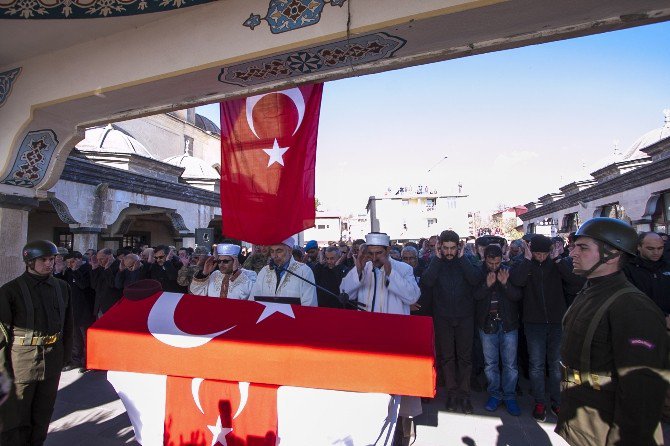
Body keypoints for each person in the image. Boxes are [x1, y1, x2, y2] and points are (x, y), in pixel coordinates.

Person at [556, 217, 668, 446]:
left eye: (583, 247)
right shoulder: (592, 291)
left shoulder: (633, 307)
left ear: (613, 254)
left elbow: (642, 395)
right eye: (574, 246)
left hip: (607, 432)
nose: (573, 253)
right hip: (586, 426)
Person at [339, 232, 421, 443]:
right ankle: (373, 428)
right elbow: (344, 292)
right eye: (371, 253)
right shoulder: (363, 268)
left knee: (396, 387)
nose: (375, 258)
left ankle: (401, 429)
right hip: (367, 337)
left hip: (395, 337)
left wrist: (389, 271)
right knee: (371, 387)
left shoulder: (404, 269)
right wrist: (358, 267)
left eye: (379, 253)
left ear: (388, 251)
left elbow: (412, 296)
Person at [0, 240, 74, 445]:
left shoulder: (62, 287)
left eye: (52, 259)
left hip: (52, 360)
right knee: (17, 417)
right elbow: (2, 335)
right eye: (43, 260)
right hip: (21, 363)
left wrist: (65, 357)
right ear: (29, 261)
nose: (49, 263)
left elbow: (68, 325)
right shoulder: (10, 291)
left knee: (43, 414)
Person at [509, 234, 585, 421]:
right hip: (533, 322)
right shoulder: (524, 264)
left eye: (544, 253)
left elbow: (574, 281)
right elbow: (517, 281)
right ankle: (540, 401)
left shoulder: (558, 263)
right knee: (536, 365)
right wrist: (527, 260)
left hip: (557, 320)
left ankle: (557, 401)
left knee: (556, 364)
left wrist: (558, 260)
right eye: (536, 253)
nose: (540, 257)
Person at [413, 230, 483, 414]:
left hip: (465, 316)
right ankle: (452, 393)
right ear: (440, 247)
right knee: (447, 357)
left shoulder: (467, 261)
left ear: (458, 246)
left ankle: (465, 394)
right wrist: (436, 259)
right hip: (443, 317)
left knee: (465, 358)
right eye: (446, 248)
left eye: (453, 248)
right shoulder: (434, 262)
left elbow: (475, 279)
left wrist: (461, 259)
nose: (449, 252)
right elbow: (426, 282)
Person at [474, 244, 522, 416]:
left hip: (508, 324)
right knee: (490, 364)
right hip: (487, 324)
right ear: (484, 259)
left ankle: (509, 396)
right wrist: (487, 286)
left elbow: (517, 296)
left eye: (497, 262)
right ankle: (495, 394)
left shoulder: (508, 271)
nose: (494, 266)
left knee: (510, 364)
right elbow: (475, 297)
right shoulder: (479, 272)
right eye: (490, 263)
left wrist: (505, 284)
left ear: (502, 258)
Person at [249, 237, 317, 306]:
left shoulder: (304, 272)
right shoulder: (264, 271)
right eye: (272, 251)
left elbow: (310, 306)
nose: (274, 256)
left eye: (279, 251)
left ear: (290, 250)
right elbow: (252, 301)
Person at [60, 251, 95, 373]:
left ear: (79, 259)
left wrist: (75, 271)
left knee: (86, 338)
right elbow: (62, 285)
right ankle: (75, 360)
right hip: (73, 308)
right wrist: (59, 271)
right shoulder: (69, 271)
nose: (70, 265)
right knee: (75, 338)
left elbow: (84, 285)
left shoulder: (88, 269)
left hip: (86, 309)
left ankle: (88, 362)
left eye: (72, 261)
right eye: (68, 262)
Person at [623, 232, 670, 315]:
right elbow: (631, 300)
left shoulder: (667, 266)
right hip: (645, 320)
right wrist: (662, 316)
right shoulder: (628, 269)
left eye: (660, 248)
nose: (656, 252)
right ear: (639, 247)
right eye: (650, 249)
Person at [189, 244, 256, 299]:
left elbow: (251, 294)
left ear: (236, 261)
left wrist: (236, 272)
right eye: (219, 261)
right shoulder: (215, 274)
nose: (221, 264)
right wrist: (204, 274)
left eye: (225, 261)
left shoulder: (249, 274)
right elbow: (196, 292)